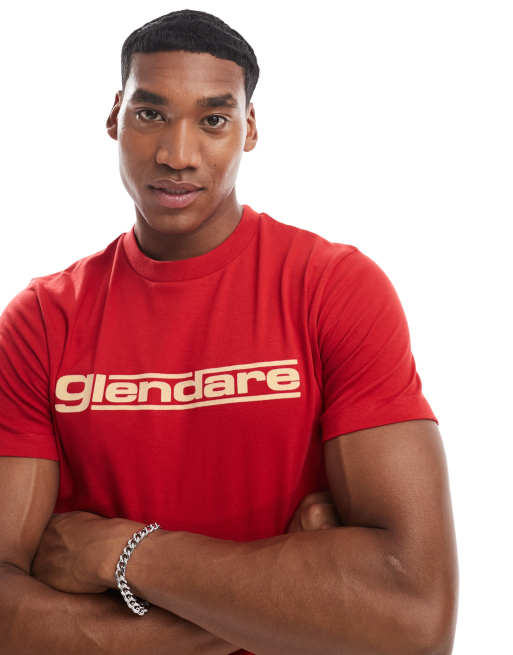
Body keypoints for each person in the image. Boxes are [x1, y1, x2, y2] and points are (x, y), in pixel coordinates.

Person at [0, 9, 458, 654]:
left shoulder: (334, 288)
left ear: (250, 128)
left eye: (213, 120)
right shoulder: (43, 320)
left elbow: (414, 620)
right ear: (114, 117)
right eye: (151, 113)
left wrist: (123, 554)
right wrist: (293, 605)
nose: (177, 155)